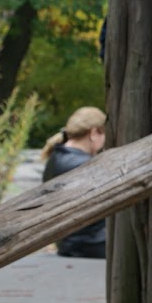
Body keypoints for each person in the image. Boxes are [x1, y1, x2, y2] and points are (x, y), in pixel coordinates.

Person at [40, 107, 109, 258]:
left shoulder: (55, 158)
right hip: (92, 244)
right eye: (103, 134)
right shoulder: (84, 164)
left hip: (68, 243)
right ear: (93, 133)